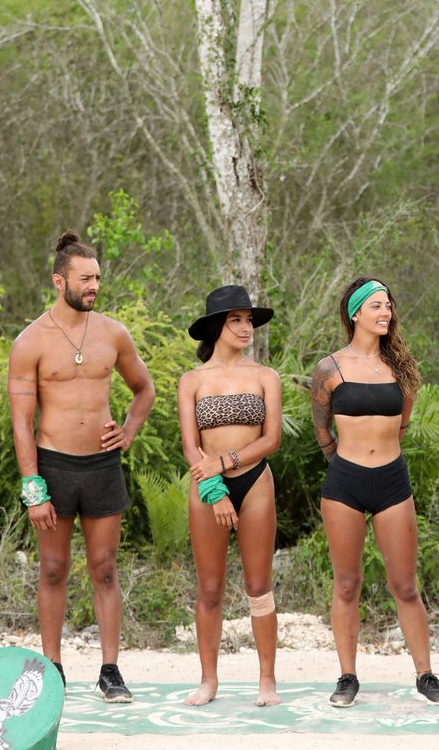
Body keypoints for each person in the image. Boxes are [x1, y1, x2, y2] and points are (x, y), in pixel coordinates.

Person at [7, 231, 155, 702]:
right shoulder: (30, 341)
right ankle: (51, 668)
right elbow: (21, 421)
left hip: (102, 466)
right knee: (53, 568)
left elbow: (145, 389)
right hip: (53, 465)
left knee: (104, 568)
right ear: (59, 281)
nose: (94, 286)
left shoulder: (113, 333)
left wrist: (128, 431)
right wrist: (33, 488)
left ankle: (110, 670)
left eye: (97, 278)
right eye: (85, 279)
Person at [309, 277, 439, 708]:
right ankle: (347, 678)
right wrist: (343, 464)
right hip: (344, 484)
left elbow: (402, 424)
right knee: (347, 584)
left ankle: (426, 675)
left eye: (388, 305)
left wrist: (381, 455)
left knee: (405, 585)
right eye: (375, 305)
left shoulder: (401, 368)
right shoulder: (329, 368)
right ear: (355, 313)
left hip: (392, 481)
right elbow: (321, 428)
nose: (385, 312)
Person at [178, 285, 282, 707]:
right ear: (216, 326)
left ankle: (267, 681)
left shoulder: (265, 376)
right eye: (235, 320)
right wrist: (214, 488)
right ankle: (208, 681)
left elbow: (271, 439)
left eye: (248, 320)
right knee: (210, 588)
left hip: (255, 482)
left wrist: (227, 462)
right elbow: (191, 447)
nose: (245, 327)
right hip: (207, 488)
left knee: (259, 586)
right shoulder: (192, 381)